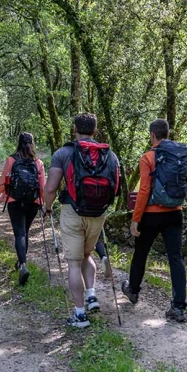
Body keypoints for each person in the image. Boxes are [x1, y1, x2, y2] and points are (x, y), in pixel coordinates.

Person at [44, 113, 120, 328]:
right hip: (98, 214)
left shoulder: (64, 153)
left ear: (74, 128)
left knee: (74, 263)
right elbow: (116, 187)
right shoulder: (109, 155)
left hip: (72, 211)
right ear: (95, 130)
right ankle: (92, 295)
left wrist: (47, 207)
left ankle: (79, 315)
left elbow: (50, 187)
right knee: (87, 255)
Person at [121, 119, 187, 322]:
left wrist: (136, 219)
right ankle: (178, 307)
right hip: (175, 212)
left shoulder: (148, 157)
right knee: (176, 258)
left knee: (141, 253)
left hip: (151, 215)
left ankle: (133, 291)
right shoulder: (179, 157)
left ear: (152, 135)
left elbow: (144, 191)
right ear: (167, 134)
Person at [0, 132, 46, 286]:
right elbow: (42, 187)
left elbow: (4, 183)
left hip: (14, 201)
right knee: (25, 231)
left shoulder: (11, 160)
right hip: (33, 202)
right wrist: (43, 204)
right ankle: (20, 262)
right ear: (32, 144)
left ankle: (23, 265)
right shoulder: (38, 163)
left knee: (19, 232)